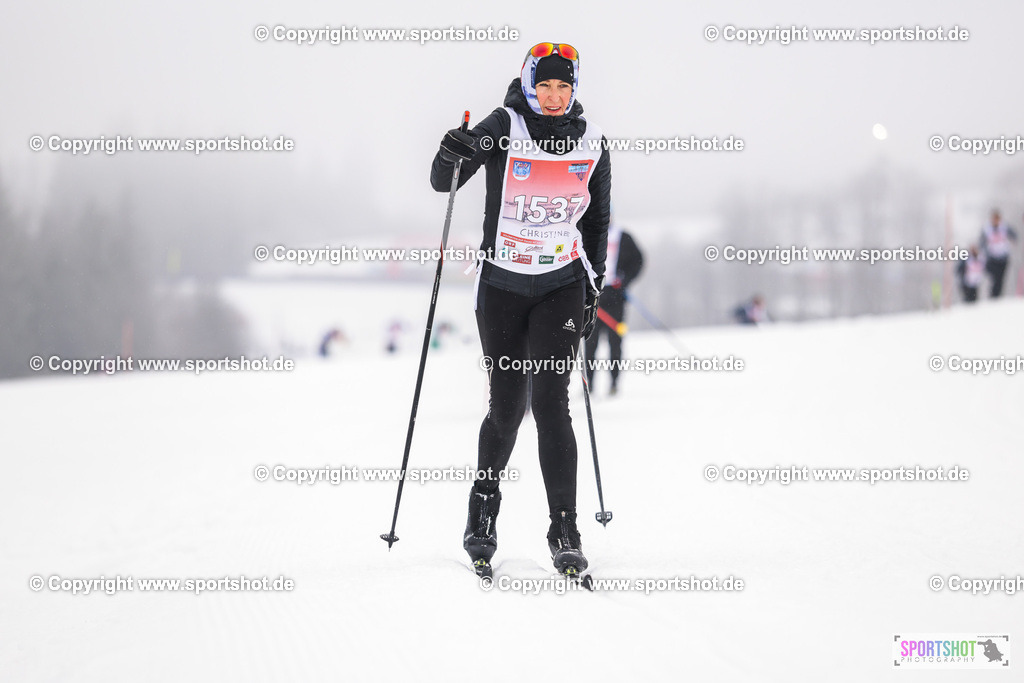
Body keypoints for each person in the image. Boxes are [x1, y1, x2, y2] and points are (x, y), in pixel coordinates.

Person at [429, 42, 612, 574]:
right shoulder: (504, 124)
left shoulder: (593, 140)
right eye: (545, 85)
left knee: (553, 405)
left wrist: (593, 283)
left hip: (561, 286)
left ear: (573, 90)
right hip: (504, 287)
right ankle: (482, 515)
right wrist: (452, 150)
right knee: (507, 409)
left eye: (563, 87)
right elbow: (446, 182)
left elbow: (597, 221)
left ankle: (565, 529)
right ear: (530, 84)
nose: (553, 97)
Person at [584, 220, 643, 395]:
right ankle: (589, 385)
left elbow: (638, 261)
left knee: (615, 343)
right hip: (593, 297)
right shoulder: (586, 234)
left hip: (615, 298)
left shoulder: (623, 236)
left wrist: (625, 280)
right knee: (590, 343)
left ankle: (614, 383)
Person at [979, 209, 1018, 298]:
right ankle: (993, 294)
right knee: (994, 277)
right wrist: (984, 251)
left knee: (1000, 278)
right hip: (992, 257)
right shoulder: (987, 229)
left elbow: (1014, 235)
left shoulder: (1004, 227)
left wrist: (1013, 240)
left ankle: (997, 296)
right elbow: (981, 242)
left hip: (1003, 257)